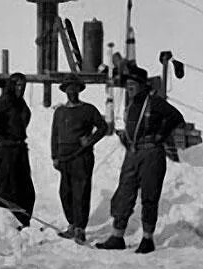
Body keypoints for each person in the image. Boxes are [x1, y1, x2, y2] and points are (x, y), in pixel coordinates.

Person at [96, 66, 184, 254]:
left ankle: (147, 239)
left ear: (143, 86)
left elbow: (176, 117)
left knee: (149, 196)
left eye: (133, 84)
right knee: (124, 192)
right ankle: (117, 236)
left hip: (152, 154)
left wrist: (161, 135)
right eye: (127, 85)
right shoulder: (131, 105)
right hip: (133, 154)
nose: (129, 88)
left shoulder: (154, 102)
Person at [51, 74, 108, 244]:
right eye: (68, 89)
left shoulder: (88, 110)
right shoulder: (60, 111)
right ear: (65, 91)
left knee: (80, 192)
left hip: (81, 157)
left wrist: (90, 140)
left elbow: (103, 127)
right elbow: (54, 134)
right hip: (64, 158)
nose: (72, 92)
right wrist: (54, 156)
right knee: (65, 192)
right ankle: (71, 224)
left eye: (74, 88)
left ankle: (80, 229)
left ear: (79, 90)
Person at [0, 72, 36, 228]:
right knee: (7, 189)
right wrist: (0, 136)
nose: (21, 88)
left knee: (26, 189)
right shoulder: (4, 101)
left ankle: (23, 221)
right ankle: (7, 225)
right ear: (11, 86)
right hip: (6, 151)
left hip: (19, 149)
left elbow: (23, 120)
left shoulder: (20, 103)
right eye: (17, 85)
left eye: (23, 85)